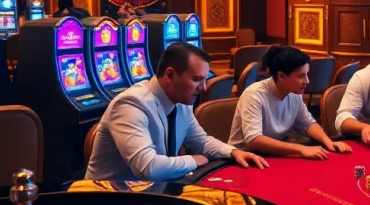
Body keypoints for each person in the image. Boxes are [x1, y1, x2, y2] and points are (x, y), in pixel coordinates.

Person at [86, 42, 266, 182]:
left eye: (205, 79)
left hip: (148, 196)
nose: (204, 88)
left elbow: (200, 141)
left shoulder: (182, 101)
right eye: (197, 79)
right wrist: (193, 160)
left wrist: (233, 152)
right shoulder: (131, 104)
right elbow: (148, 168)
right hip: (106, 204)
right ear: (170, 75)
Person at [229, 45, 353, 158]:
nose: (307, 81)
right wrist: (300, 149)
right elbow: (254, 141)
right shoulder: (254, 95)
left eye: (307, 74)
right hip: (244, 157)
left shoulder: (294, 93)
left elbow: (308, 124)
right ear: (281, 76)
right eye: (301, 76)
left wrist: (328, 142)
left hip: (273, 155)